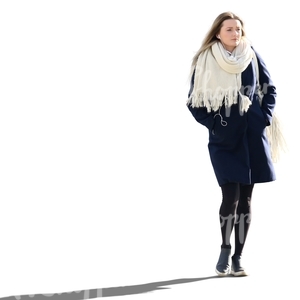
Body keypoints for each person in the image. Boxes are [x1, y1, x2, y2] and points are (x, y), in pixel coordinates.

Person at [186, 11, 278, 276]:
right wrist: (215, 124)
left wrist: (264, 117)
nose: (235, 33)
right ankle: (225, 248)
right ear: (218, 33)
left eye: (238, 29)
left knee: (247, 199)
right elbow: (193, 101)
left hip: (252, 134)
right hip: (224, 138)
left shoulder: (251, 55)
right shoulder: (205, 61)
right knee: (231, 196)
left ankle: (238, 257)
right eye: (229, 29)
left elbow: (269, 89)